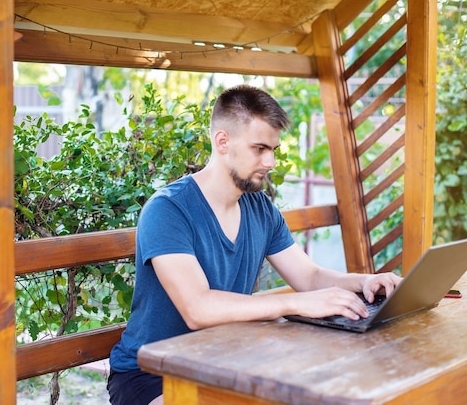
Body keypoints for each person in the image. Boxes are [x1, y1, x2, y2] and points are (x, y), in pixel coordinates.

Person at [107, 84, 402, 405]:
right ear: (222, 142)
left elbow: (310, 277)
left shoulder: (260, 208)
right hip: (151, 373)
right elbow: (197, 308)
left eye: (273, 149)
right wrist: (294, 304)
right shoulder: (168, 209)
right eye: (260, 148)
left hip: (225, 363)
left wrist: (366, 282)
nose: (271, 161)